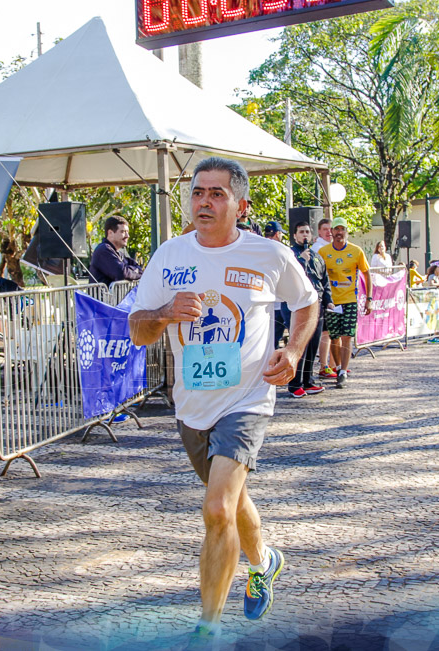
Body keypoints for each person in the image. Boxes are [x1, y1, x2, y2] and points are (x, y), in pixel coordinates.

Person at [128, 157, 318, 641]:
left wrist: (293, 350)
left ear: (241, 203)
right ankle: (265, 561)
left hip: (249, 398)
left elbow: (307, 302)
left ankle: (207, 627)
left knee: (215, 508)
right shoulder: (169, 256)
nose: (204, 202)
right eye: (197, 193)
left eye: (216, 194)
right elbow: (136, 331)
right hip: (192, 404)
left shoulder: (269, 254)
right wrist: (167, 312)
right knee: (231, 504)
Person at [319, 217, 372, 389]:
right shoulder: (324, 252)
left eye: (342, 229)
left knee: (347, 336)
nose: (339, 233)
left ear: (346, 232)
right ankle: (337, 367)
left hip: (350, 300)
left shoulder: (356, 251)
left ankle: (343, 371)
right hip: (332, 303)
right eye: (336, 229)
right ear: (331, 232)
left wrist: (369, 299)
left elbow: (367, 273)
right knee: (334, 337)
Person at [289, 221, 331, 398]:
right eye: (301, 232)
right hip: (299, 304)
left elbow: (324, 280)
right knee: (301, 344)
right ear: (295, 235)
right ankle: (295, 383)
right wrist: (301, 261)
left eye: (307, 231)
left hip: (317, 304)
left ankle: (308, 380)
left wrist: (328, 300)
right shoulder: (291, 255)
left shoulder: (316, 256)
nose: (304, 235)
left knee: (313, 344)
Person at [311, 219, 337, 379]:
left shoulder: (336, 247)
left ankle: (334, 365)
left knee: (333, 332)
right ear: (319, 232)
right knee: (326, 332)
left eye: (331, 229)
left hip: (335, 295)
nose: (329, 232)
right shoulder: (318, 249)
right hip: (323, 295)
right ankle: (324, 365)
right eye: (325, 229)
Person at [89, 215, 143, 286]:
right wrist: (135, 271)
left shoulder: (118, 252)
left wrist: (133, 270)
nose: (127, 236)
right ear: (110, 233)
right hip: (103, 297)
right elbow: (121, 273)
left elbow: (139, 269)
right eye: (123, 232)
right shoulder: (103, 250)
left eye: (127, 232)